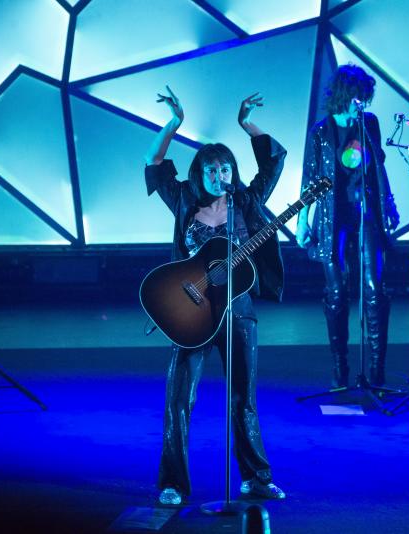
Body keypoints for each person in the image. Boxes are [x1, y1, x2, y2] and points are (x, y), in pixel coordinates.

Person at [144, 86, 287, 505]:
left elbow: (274, 161)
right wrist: (173, 124)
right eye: (211, 169)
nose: (219, 175)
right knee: (179, 399)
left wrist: (247, 124)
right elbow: (154, 164)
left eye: (225, 168)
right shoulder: (183, 200)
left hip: (238, 311)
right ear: (199, 173)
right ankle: (173, 483)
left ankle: (256, 477)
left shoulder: (247, 201)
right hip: (191, 312)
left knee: (244, 397)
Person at [295, 64, 399, 389]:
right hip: (332, 216)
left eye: (365, 98)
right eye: (357, 97)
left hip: (366, 211)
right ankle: (339, 368)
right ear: (344, 94)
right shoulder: (321, 133)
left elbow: (379, 166)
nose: (362, 103)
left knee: (374, 289)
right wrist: (302, 220)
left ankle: (377, 371)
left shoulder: (369, 123)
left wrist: (389, 204)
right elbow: (309, 180)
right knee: (337, 292)